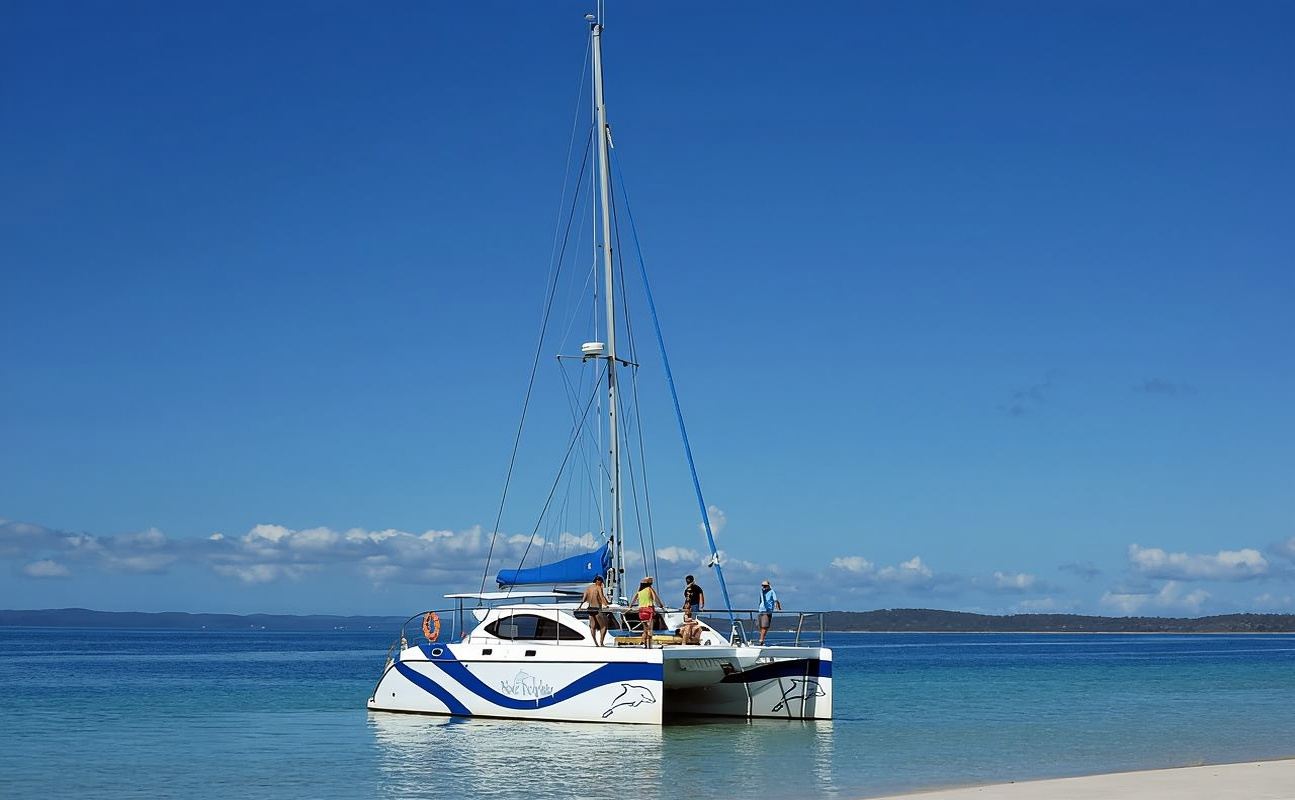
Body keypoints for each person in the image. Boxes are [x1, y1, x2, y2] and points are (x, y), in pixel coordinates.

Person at [578, 575, 611, 646]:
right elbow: (602, 597)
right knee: (604, 626)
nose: (602, 584)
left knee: (592, 627)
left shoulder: (588, 588)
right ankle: (601, 642)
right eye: (601, 582)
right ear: (598, 581)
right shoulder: (598, 587)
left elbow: (584, 598)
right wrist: (607, 605)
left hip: (590, 609)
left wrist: (579, 606)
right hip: (597, 609)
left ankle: (595, 643)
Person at [633, 577, 663, 648]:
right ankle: (650, 645)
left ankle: (645, 645)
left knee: (645, 629)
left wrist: (630, 606)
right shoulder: (650, 589)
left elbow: (634, 599)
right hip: (648, 610)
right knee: (650, 629)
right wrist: (661, 605)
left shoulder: (639, 591)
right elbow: (655, 598)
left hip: (641, 611)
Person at [757, 579, 781, 645]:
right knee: (760, 626)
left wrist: (778, 607)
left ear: (768, 586)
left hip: (767, 611)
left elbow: (776, 600)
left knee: (764, 626)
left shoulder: (771, 592)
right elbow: (761, 600)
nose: (763, 587)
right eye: (763, 585)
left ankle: (761, 640)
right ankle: (762, 639)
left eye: (765, 586)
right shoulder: (762, 591)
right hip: (761, 610)